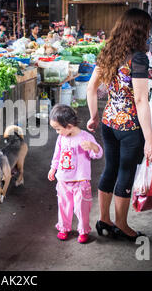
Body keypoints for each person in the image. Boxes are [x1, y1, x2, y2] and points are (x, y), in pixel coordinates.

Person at [86, 8, 152, 242]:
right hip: (129, 128)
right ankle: (122, 224)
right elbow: (140, 99)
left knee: (110, 169)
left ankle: (104, 220)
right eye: (147, 28)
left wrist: (94, 116)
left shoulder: (108, 52)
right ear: (140, 29)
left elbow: (91, 88)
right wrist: (149, 138)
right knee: (125, 173)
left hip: (108, 122)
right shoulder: (138, 58)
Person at [48, 104, 103, 243]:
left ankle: (83, 230)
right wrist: (53, 169)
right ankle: (64, 227)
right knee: (63, 205)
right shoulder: (61, 138)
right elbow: (57, 155)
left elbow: (98, 154)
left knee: (82, 208)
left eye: (58, 129)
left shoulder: (85, 137)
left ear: (69, 126)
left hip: (81, 181)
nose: (57, 132)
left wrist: (93, 147)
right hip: (63, 181)